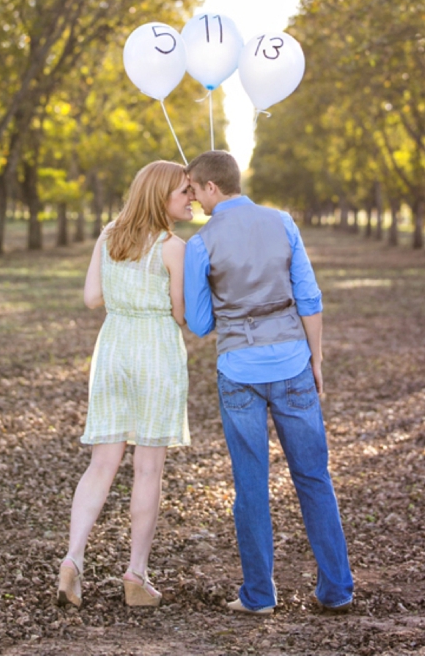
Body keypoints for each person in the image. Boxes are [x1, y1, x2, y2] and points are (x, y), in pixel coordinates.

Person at [183, 150, 353, 615]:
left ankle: (259, 595)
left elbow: (198, 323)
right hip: (293, 361)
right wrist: (315, 359)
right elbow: (310, 298)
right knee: (314, 476)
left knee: (251, 485)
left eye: (194, 189)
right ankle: (336, 588)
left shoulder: (200, 243)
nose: (193, 199)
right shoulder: (283, 223)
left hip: (239, 370)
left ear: (212, 188)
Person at [57, 161, 194, 609]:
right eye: (184, 192)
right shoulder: (174, 247)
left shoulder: (109, 234)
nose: (191, 198)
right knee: (148, 469)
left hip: (113, 348)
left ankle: (73, 559)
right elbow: (181, 315)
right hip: (155, 349)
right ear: (161, 197)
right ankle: (136, 574)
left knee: (101, 464)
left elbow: (92, 298)